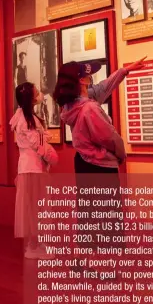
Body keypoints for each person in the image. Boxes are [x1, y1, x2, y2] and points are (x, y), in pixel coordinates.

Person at [54, 57, 145, 249]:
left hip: (83, 162)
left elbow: (104, 87)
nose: (91, 77)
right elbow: (108, 137)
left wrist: (124, 71)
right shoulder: (90, 109)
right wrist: (121, 153)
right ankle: (103, 266)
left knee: (89, 214)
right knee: (106, 218)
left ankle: (84, 259)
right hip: (100, 165)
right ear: (82, 80)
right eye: (88, 74)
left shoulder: (71, 105)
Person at [10, 82, 58, 259]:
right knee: (38, 207)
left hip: (31, 167)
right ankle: (36, 245)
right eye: (36, 92)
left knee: (35, 207)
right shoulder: (25, 120)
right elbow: (37, 143)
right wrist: (50, 153)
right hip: (32, 168)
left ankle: (35, 244)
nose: (39, 94)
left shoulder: (24, 117)